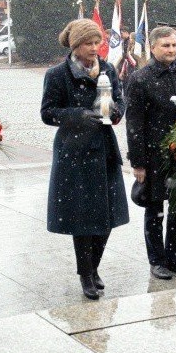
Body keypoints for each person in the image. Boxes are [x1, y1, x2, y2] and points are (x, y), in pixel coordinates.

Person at [41, 19, 129, 300]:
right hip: (75, 153)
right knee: (83, 219)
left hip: (103, 149)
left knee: (107, 217)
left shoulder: (108, 68)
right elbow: (47, 112)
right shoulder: (57, 74)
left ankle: (94, 267)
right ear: (75, 45)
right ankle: (85, 274)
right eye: (89, 43)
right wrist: (78, 115)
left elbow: (119, 99)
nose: (94, 48)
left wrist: (115, 110)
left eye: (97, 42)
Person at [126, 26, 176, 280]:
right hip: (154, 154)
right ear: (152, 48)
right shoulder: (140, 79)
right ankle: (157, 260)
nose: (171, 50)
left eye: (174, 45)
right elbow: (134, 124)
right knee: (155, 209)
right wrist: (138, 163)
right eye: (165, 46)